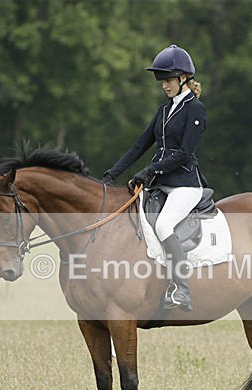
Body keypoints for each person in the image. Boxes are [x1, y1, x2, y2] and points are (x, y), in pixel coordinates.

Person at [103, 44, 208, 312]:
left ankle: (181, 290)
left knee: (163, 226)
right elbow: (139, 146)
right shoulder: (163, 111)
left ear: (184, 78)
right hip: (160, 184)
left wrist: (150, 171)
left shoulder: (195, 109)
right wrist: (110, 175)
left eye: (169, 80)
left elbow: (184, 154)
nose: (164, 85)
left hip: (185, 185)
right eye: (161, 80)